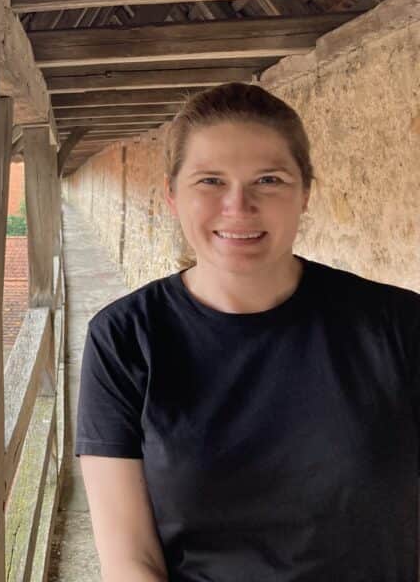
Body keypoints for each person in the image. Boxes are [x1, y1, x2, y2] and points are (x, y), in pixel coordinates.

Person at [75, 82, 420, 582]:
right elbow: (131, 561)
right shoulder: (125, 338)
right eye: (211, 181)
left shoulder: (397, 326)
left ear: (305, 193)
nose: (238, 206)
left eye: (269, 180)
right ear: (172, 196)